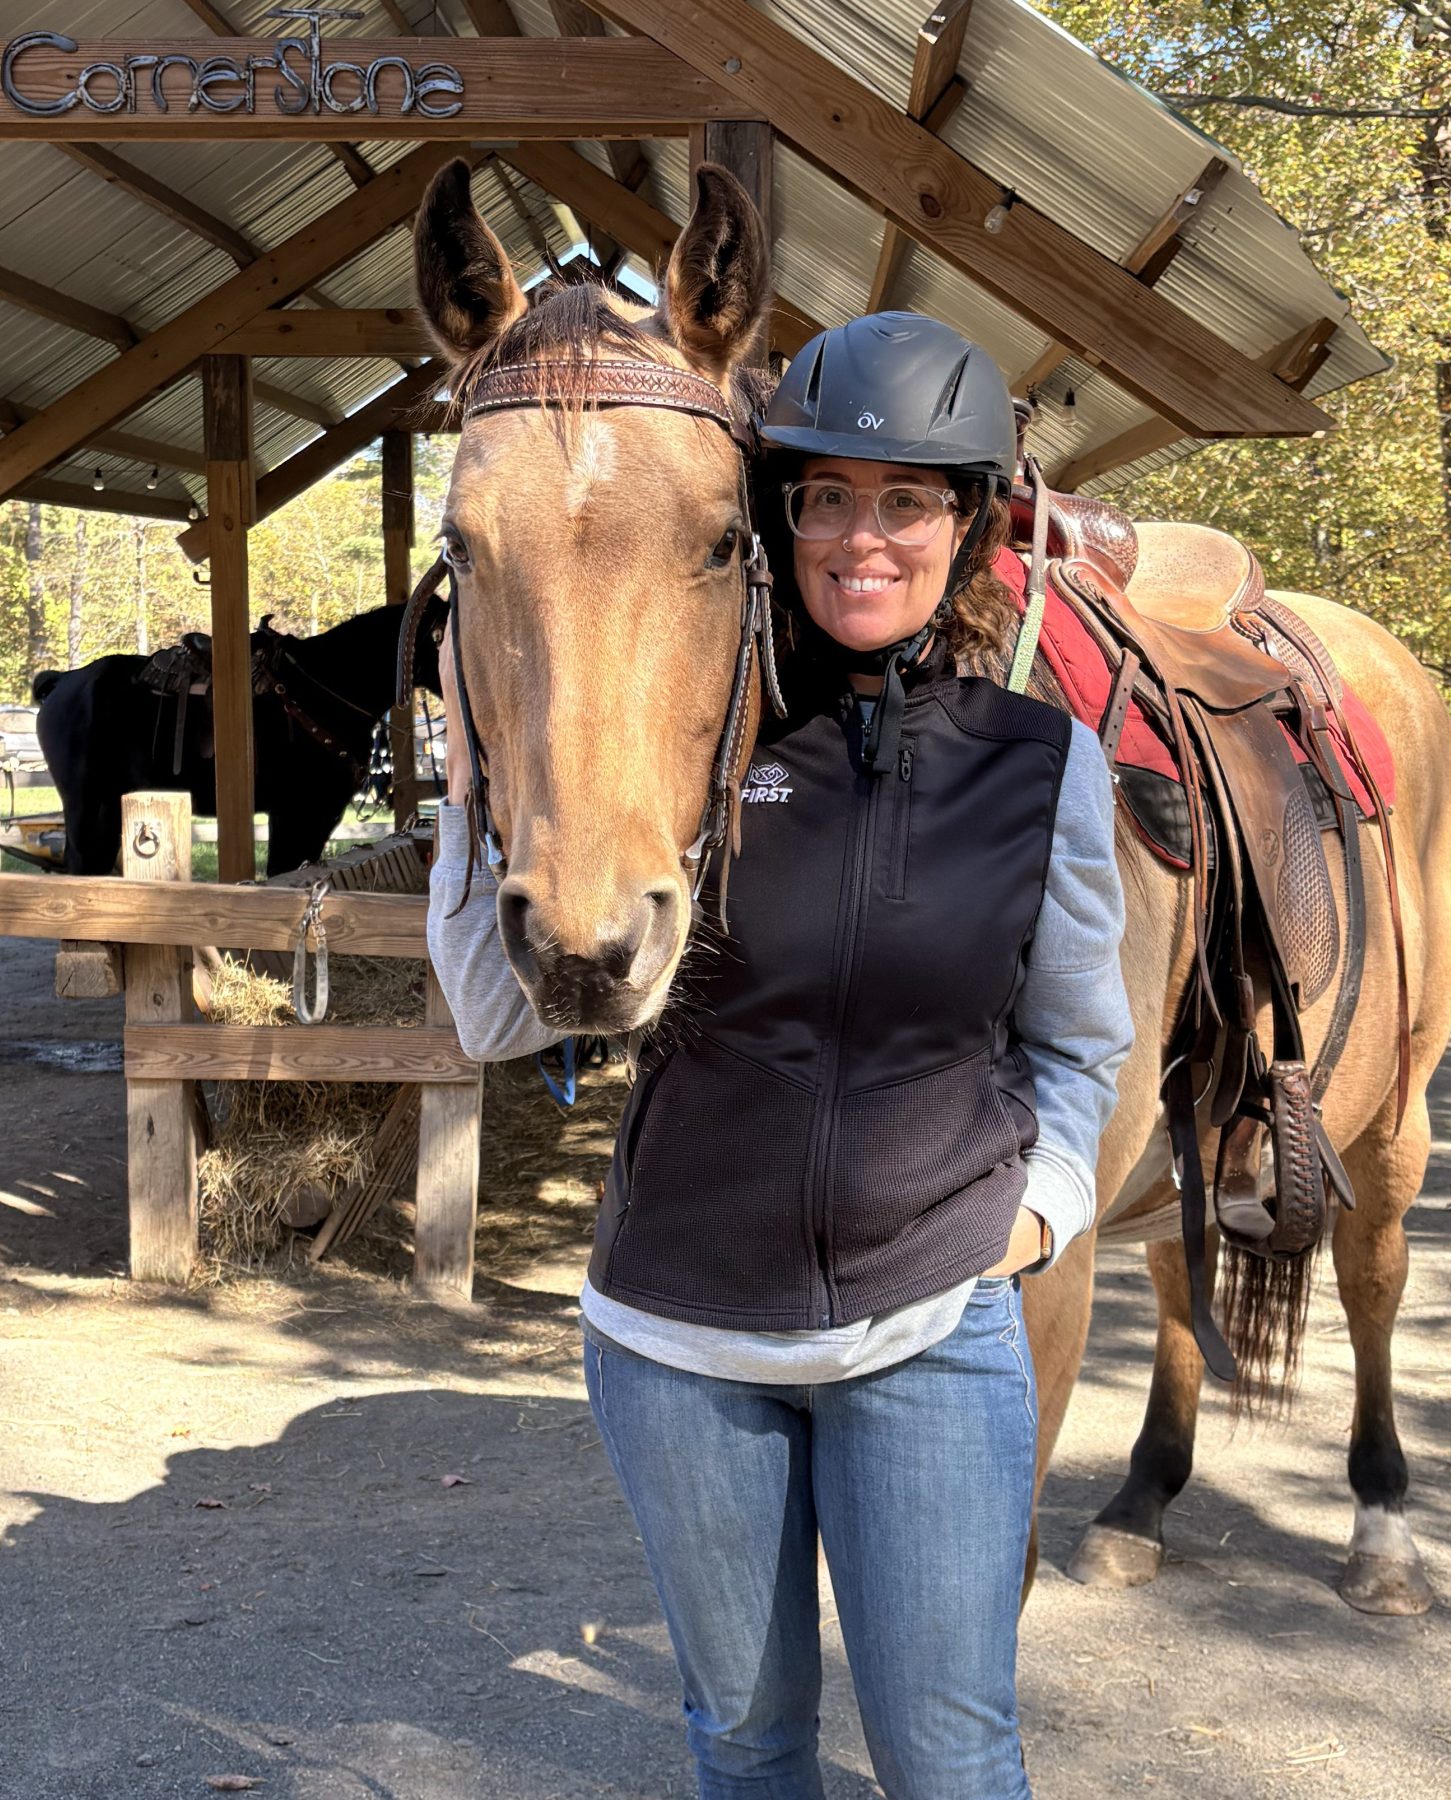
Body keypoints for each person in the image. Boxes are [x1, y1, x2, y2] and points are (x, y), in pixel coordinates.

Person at [427, 312, 1134, 1799]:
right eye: (825, 500)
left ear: (963, 524)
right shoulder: (692, 734)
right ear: (780, 517)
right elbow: (497, 1021)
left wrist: (1040, 1213)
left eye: (906, 503)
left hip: (933, 1338)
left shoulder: (1037, 766)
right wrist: (480, 745)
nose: (861, 540)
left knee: (951, 1761)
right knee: (745, 1747)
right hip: (677, 1344)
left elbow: (1081, 1042)